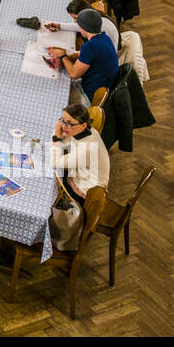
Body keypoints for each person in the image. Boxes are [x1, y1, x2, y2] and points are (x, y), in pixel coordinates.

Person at [46, 101, 111, 251]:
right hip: (78, 175)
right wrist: (60, 136)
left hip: (85, 194)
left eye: (69, 124)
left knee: (44, 183)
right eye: (62, 120)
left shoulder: (88, 148)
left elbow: (55, 161)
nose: (64, 126)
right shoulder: (86, 130)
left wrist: (56, 137)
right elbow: (65, 142)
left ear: (82, 125)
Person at [48, 8, 120, 106]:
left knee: (53, 96)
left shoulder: (90, 47)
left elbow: (74, 74)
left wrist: (63, 56)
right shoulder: (104, 38)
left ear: (83, 27)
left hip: (87, 95)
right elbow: (81, 55)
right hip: (104, 85)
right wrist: (64, 54)